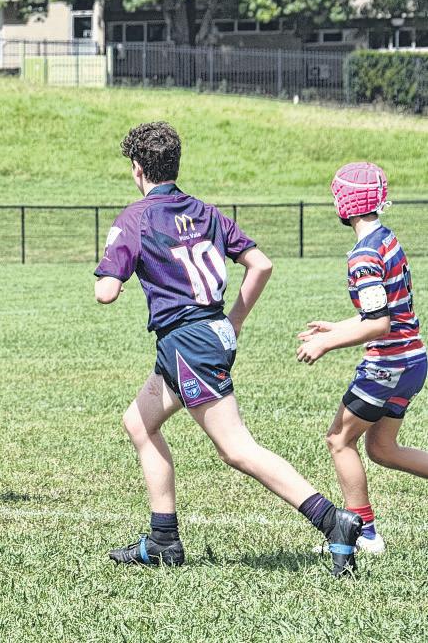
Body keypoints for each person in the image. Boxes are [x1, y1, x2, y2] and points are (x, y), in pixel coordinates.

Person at [94, 122, 362, 576]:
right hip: (203, 336)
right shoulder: (205, 212)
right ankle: (163, 540)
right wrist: (233, 319)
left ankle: (332, 520)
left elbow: (106, 293)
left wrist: (111, 263)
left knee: (236, 448)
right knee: (138, 422)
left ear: (137, 168)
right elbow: (261, 264)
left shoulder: (135, 218)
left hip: (188, 342)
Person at [298, 162, 428, 556]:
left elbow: (378, 324)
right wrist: (336, 327)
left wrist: (327, 343)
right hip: (413, 361)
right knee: (382, 449)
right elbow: (384, 312)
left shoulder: (363, 255)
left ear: (344, 204)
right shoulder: (387, 239)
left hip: (387, 366)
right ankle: (365, 532)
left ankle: (364, 535)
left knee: (339, 440)